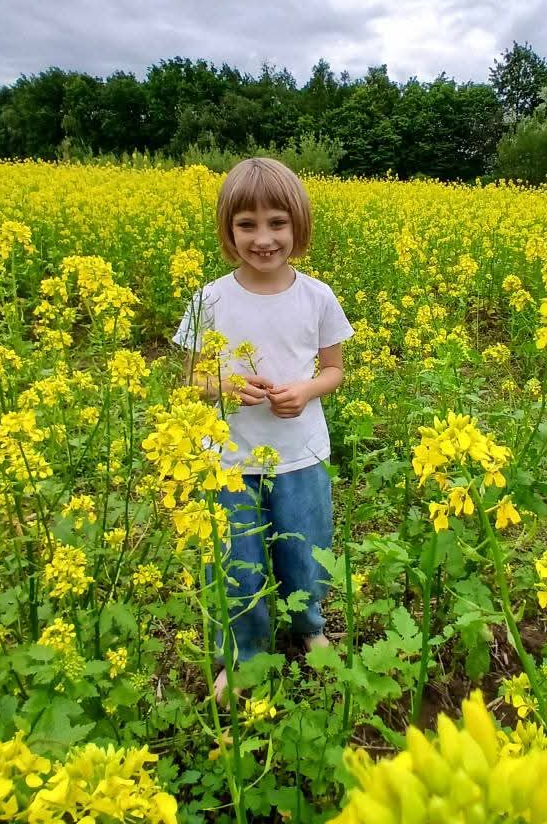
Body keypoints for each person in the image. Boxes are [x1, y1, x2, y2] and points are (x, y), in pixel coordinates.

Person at [172, 157, 353, 701]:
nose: (263, 238)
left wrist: (306, 390)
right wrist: (224, 386)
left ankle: (309, 626)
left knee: (307, 551)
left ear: (299, 226)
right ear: (228, 231)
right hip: (228, 461)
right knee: (236, 564)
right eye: (246, 225)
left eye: (277, 223)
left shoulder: (317, 296)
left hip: (299, 453)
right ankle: (242, 654)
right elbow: (190, 378)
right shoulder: (209, 298)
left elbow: (334, 370)